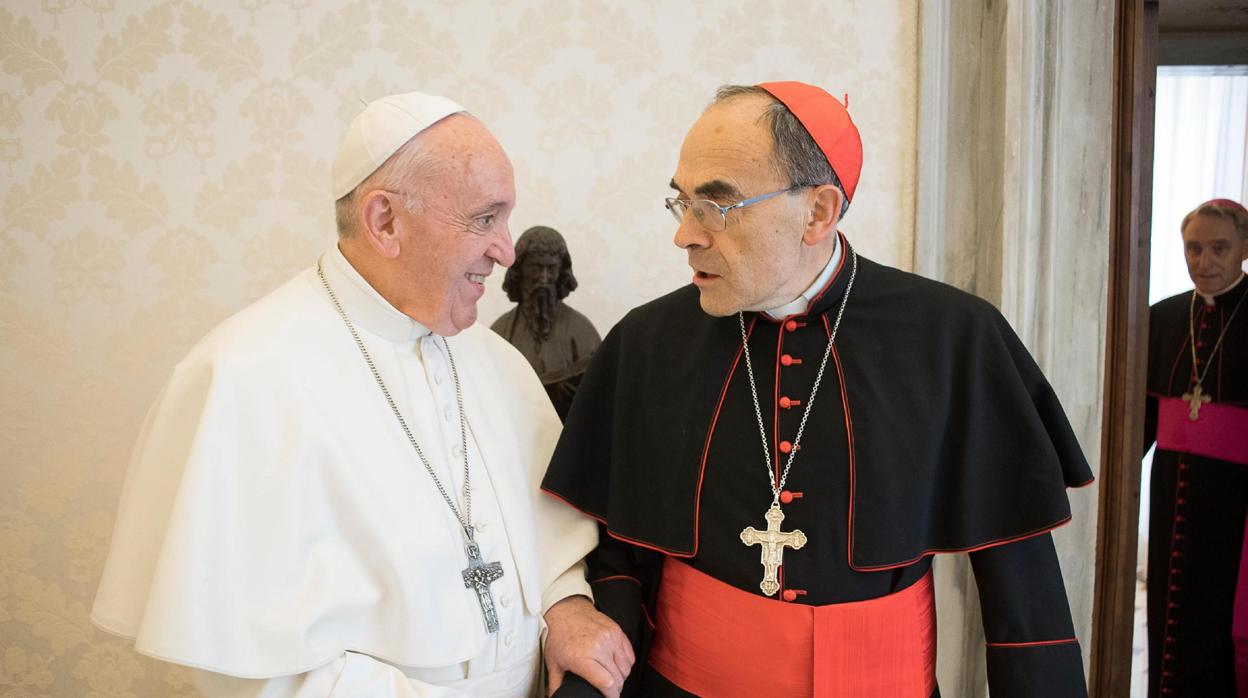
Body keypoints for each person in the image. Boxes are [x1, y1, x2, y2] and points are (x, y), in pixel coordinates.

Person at [540, 81, 1094, 697]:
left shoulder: (955, 338)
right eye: (683, 202)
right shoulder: (648, 341)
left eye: (718, 207)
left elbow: (1025, 598)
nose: (686, 235)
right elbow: (620, 554)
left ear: (818, 212)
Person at [91, 91, 630, 698]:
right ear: (385, 222)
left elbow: (551, 543)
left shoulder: (494, 360)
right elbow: (257, 674)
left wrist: (568, 609)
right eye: (485, 218)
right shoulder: (244, 377)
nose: (505, 250)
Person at [1144, 198, 1248, 697]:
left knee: (1223, 615)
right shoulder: (1161, 318)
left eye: (1219, 248)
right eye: (1194, 248)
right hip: (1171, 487)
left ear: (1245, 248)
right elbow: (1138, 417)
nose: (1204, 262)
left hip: (1237, 500)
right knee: (1170, 606)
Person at [491, 225, 601, 420]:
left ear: (561, 272)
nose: (543, 279)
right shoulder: (499, 332)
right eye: (536, 267)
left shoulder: (582, 332)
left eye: (551, 269)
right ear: (520, 270)